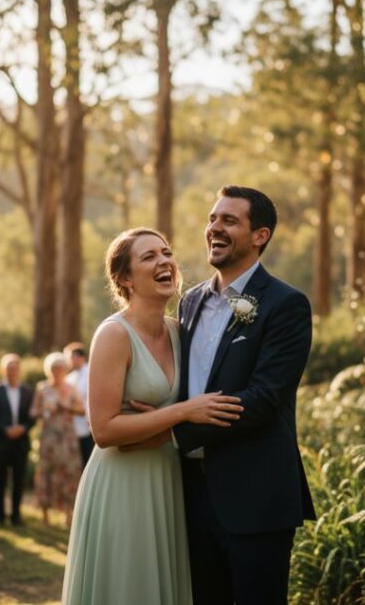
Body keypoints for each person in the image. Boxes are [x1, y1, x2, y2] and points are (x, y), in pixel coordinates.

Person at [61, 227, 244, 605]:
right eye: (149, 257)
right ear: (125, 279)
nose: (164, 262)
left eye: (166, 253)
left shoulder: (179, 331)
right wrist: (182, 411)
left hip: (168, 478)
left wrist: (167, 422)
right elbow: (104, 429)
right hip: (122, 481)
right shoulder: (113, 335)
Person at [169, 186, 315, 604]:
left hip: (256, 497)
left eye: (229, 220)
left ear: (260, 236)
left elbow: (265, 398)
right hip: (190, 496)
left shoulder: (286, 304)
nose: (215, 227)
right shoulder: (189, 302)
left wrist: (177, 427)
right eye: (213, 218)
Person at [30, 351, 84, 526]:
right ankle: (45, 514)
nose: (57, 371)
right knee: (47, 472)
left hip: (67, 438)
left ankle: (68, 514)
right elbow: (33, 412)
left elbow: (82, 410)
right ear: (49, 370)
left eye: (60, 368)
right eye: (54, 369)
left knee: (69, 473)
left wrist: (66, 407)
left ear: (64, 369)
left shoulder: (71, 388)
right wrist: (44, 409)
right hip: (49, 438)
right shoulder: (42, 388)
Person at [0, 353, 35, 528]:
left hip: (21, 443)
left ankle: (16, 515)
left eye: (14, 368)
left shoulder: (28, 391)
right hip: (1, 442)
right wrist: (6, 429)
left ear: (19, 370)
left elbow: (33, 416)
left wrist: (23, 428)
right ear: (3, 370)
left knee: (19, 481)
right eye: (9, 369)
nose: (12, 372)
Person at [64, 342, 93, 466]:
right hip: (73, 426)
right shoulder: (68, 378)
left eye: (71, 357)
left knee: (89, 459)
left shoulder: (92, 373)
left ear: (81, 357)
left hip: (90, 425)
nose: (69, 361)